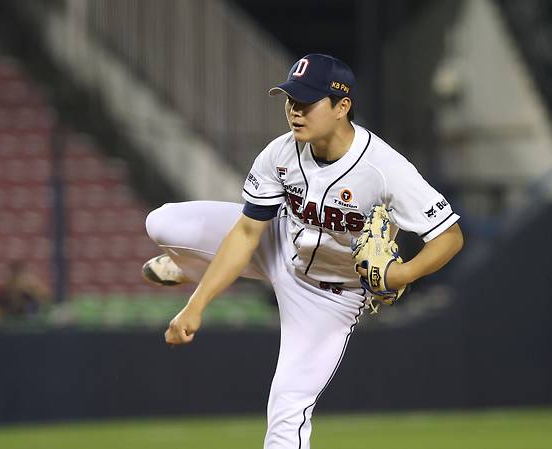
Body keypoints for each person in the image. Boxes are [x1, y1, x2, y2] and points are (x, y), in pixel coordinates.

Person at [143, 54, 464, 449]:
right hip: (277, 246)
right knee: (161, 223)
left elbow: (450, 237)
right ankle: (192, 269)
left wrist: (403, 273)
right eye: (290, 100)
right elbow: (245, 233)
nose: (294, 111)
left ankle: (194, 268)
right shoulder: (280, 153)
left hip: (330, 298)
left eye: (307, 102)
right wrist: (197, 304)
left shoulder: (384, 169)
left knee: (287, 407)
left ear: (341, 106)